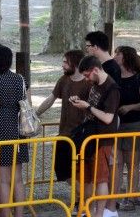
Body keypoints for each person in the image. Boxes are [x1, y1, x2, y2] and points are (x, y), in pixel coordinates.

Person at [36, 50, 91, 211]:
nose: (62, 65)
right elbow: (50, 99)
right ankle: (84, 198)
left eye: (65, 62)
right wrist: (35, 114)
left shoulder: (88, 84)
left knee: (81, 171)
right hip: (64, 135)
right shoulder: (63, 80)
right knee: (62, 170)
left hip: (81, 135)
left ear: (74, 63)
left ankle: (84, 201)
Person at [70, 55, 121, 217]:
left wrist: (88, 106)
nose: (86, 79)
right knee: (90, 178)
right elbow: (94, 108)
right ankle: (90, 211)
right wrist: (81, 103)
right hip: (91, 137)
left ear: (96, 70)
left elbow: (108, 117)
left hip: (103, 139)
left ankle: (99, 213)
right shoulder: (96, 84)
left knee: (101, 179)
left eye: (87, 75)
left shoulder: (112, 88)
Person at [0, 46, 28, 217]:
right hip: (18, 129)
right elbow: (26, 103)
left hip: (0, 130)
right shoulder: (20, 79)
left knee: (2, 180)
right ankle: (19, 214)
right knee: (18, 179)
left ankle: (4, 214)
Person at [109, 46, 140, 212]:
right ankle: (116, 196)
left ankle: (132, 196)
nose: (115, 56)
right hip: (117, 125)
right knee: (117, 163)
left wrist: (130, 107)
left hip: (135, 125)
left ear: (125, 57)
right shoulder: (114, 77)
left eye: (118, 53)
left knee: (132, 164)